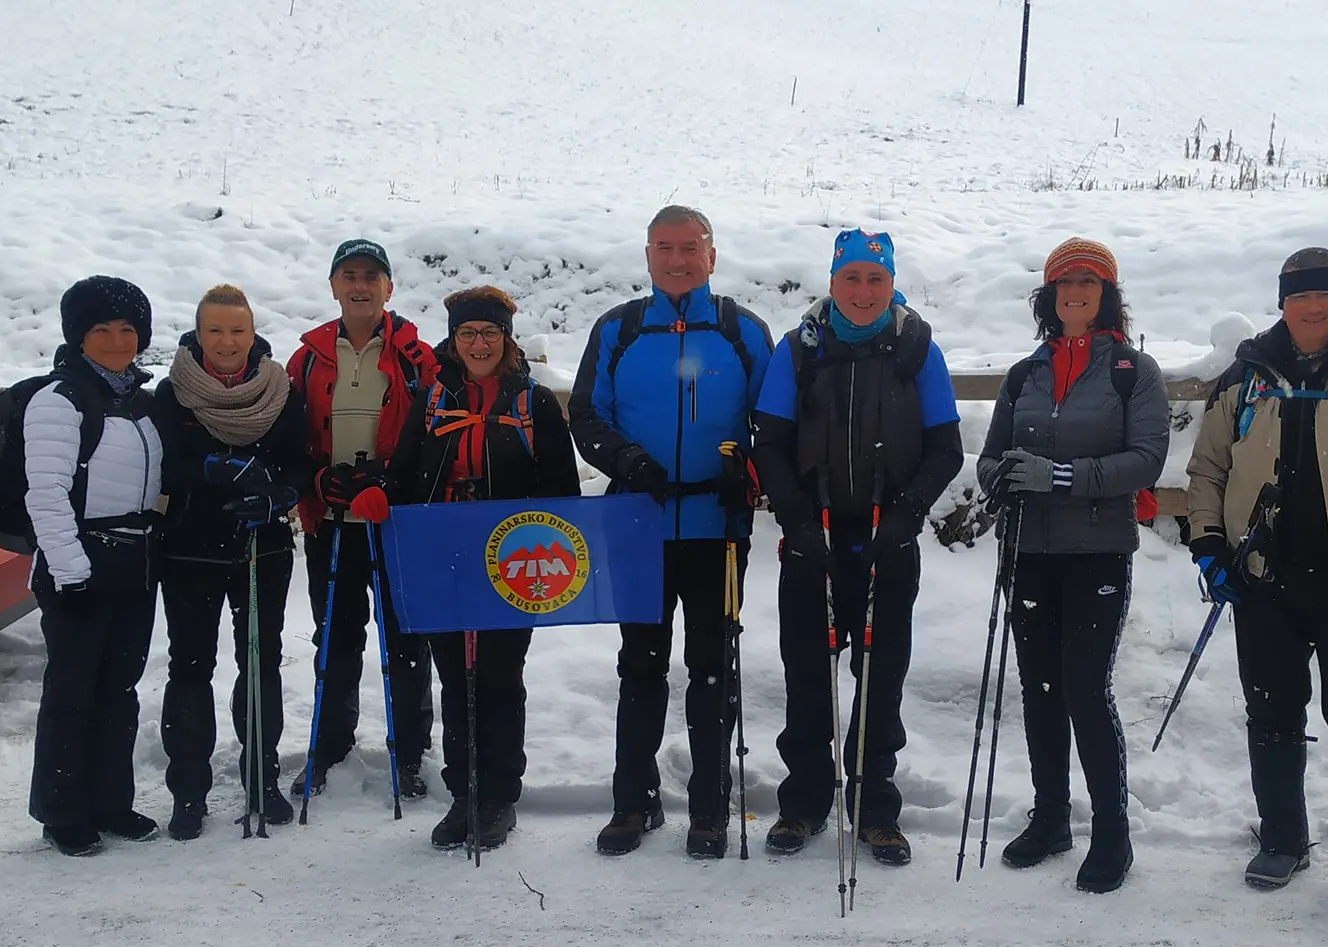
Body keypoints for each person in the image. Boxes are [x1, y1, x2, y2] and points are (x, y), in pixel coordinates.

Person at [1182, 249, 1328, 918]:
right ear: (1282, 303)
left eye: (1326, 294)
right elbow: (1208, 470)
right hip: (1264, 583)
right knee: (1272, 714)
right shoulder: (1246, 377)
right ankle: (1283, 839)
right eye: (1300, 295)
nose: (1313, 307)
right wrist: (1209, 546)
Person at [750, 229, 964, 866]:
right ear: (833, 281)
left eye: (876, 278)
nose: (863, 291)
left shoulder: (917, 349)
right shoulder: (799, 349)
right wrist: (796, 519)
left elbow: (946, 448)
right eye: (852, 277)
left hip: (886, 538)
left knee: (879, 680)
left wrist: (907, 515)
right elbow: (769, 443)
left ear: (891, 283)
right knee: (807, 678)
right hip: (812, 538)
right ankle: (804, 803)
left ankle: (875, 811)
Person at [569, 206, 774, 858]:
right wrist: (627, 461)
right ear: (649, 256)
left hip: (718, 527)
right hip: (638, 522)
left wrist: (749, 471)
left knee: (712, 666)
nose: (678, 260)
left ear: (712, 255)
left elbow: (774, 421)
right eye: (665, 248)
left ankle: (710, 808)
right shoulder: (619, 330)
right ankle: (634, 802)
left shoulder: (743, 331)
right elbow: (586, 415)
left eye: (690, 247)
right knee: (641, 665)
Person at [976, 238, 1170, 893]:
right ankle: (1052, 817)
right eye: (1065, 282)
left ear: (1107, 293)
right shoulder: (1023, 374)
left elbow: (1145, 460)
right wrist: (1001, 477)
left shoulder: (1133, 371)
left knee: (1085, 689)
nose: (1076, 292)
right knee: (1040, 689)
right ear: (1049, 296)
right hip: (1028, 552)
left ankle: (1111, 833)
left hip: (1096, 553)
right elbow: (990, 455)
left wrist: (1059, 477)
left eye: (1089, 281)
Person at [390, 287, 581, 851]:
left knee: (498, 675)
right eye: (468, 333)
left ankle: (499, 795)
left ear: (507, 338)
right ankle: (463, 793)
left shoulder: (534, 402)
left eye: (490, 332)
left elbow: (561, 490)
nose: (479, 343)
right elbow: (405, 472)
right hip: (443, 556)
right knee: (456, 677)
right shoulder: (432, 398)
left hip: (510, 561)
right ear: (453, 339)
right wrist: (383, 497)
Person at [286, 239, 439, 802]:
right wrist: (315, 480)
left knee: (406, 641)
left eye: (371, 276)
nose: (360, 286)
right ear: (333, 286)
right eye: (349, 275)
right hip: (332, 521)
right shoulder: (306, 359)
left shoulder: (417, 357)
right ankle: (329, 748)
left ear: (388, 288)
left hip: (397, 522)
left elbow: (433, 439)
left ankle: (411, 752)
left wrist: (393, 482)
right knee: (335, 641)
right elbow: (290, 438)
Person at [153, 285, 308, 840]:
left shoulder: (280, 391)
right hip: (190, 547)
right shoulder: (172, 393)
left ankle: (262, 779)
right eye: (215, 330)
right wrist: (208, 471)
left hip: (261, 544)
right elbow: (164, 465)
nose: (226, 341)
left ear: (252, 332)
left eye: (237, 330)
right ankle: (188, 791)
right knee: (190, 667)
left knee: (261, 663)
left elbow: (300, 462)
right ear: (198, 334)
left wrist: (279, 494)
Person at [24, 276, 166, 856]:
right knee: (72, 692)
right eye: (101, 328)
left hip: (133, 561)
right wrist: (70, 571)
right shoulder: (59, 401)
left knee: (119, 690)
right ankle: (62, 811)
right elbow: (45, 495)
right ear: (78, 336)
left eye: (128, 328)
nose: (116, 340)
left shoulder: (140, 402)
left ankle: (111, 801)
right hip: (78, 563)